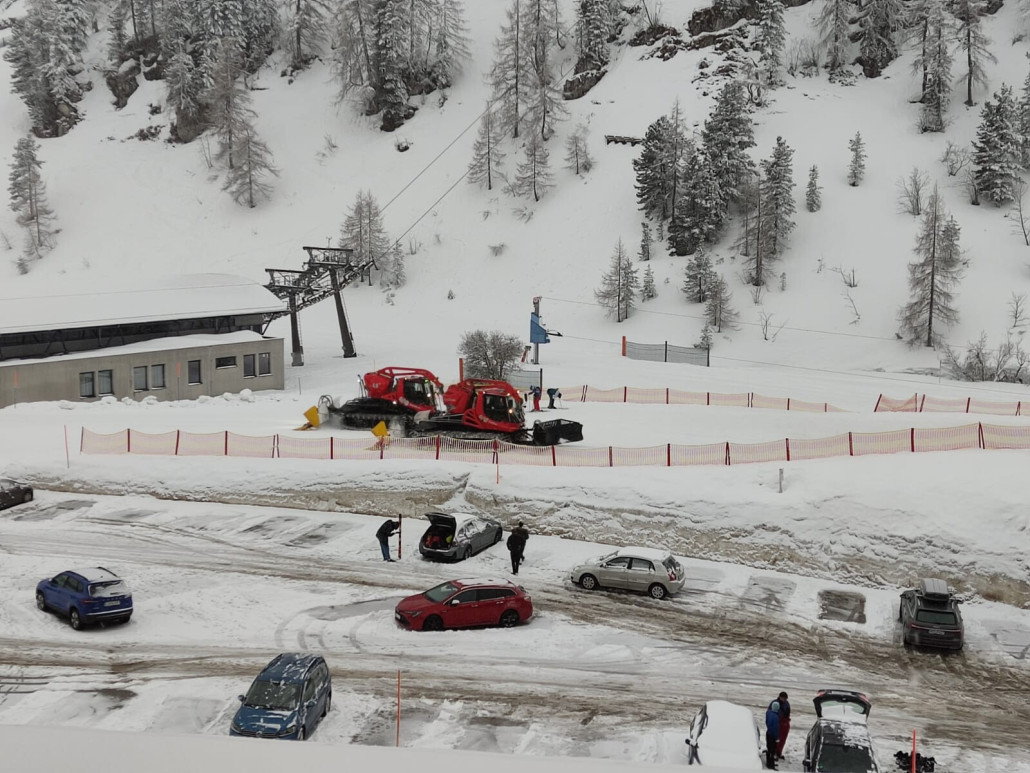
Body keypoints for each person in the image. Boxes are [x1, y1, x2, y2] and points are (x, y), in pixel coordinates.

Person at [764, 700, 780, 770]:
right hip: (772, 736)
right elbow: (776, 729)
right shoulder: (776, 717)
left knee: (769, 748)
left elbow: (767, 722)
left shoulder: (768, 712)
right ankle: (770, 764)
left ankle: (769, 762)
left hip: (768, 733)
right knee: (772, 750)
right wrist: (777, 738)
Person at [775, 692, 791, 760]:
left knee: (782, 740)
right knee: (777, 740)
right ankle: (774, 753)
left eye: (785, 699)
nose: (784, 700)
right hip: (778, 724)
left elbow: (788, 713)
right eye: (783, 698)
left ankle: (779, 752)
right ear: (780, 697)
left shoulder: (786, 703)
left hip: (785, 723)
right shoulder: (775, 703)